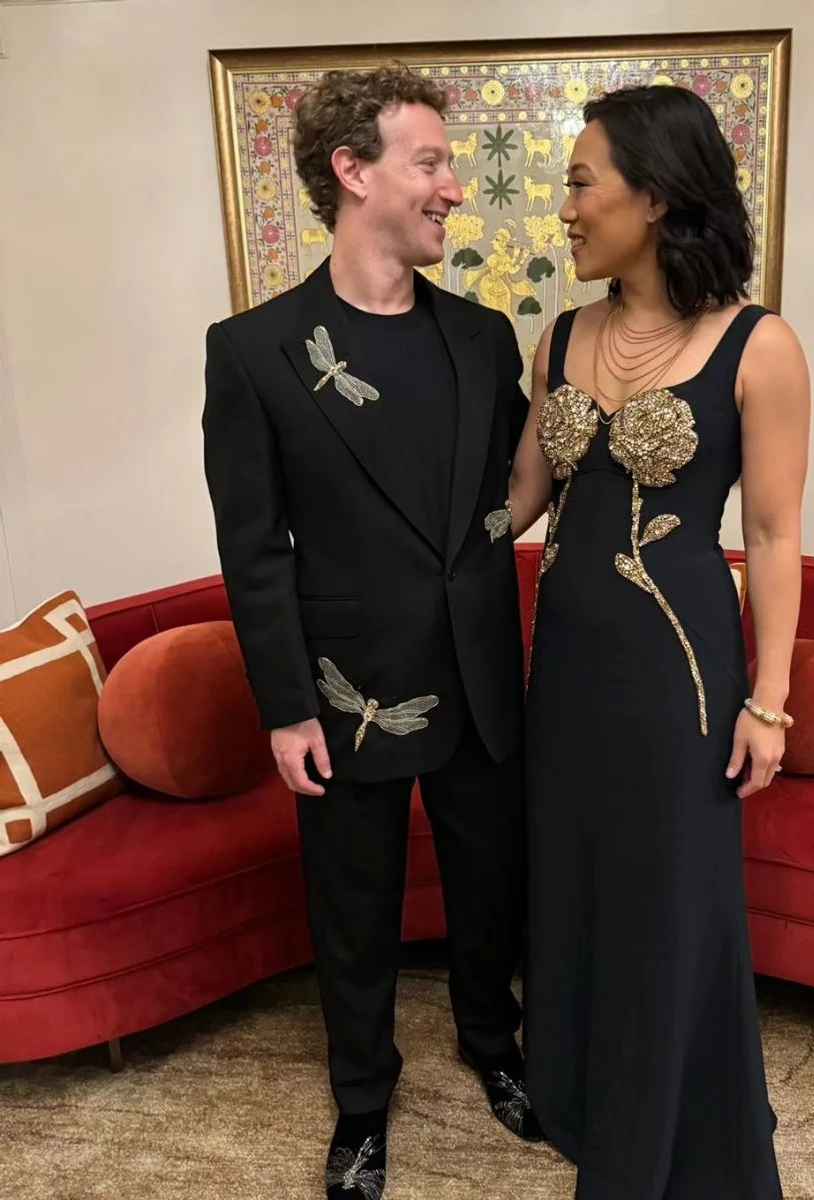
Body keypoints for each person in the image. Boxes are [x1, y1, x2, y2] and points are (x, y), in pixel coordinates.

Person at [201, 65, 543, 1200]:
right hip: (347, 686)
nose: (453, 186)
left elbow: (508, 494)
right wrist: (286, 706)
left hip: (482, 672)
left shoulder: (483, 338)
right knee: (351, 912)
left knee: (491, 886)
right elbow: (255, 548)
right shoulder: (253, 351)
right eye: (430, 162)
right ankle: (360, 1103)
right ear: (353, 172)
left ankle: (493, 1046)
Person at [508, 83, 810, 1199]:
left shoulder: (761, 346)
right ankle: (583, 1096)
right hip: (566, 671)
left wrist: (768, 702)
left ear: (657, 195)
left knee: (669, 896)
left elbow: (773, 535)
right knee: (575, 881)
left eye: (581, 183)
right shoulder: (560, 336)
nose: (565, 208)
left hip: (681, 677)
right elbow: (522, 498)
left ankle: (672, 1128)